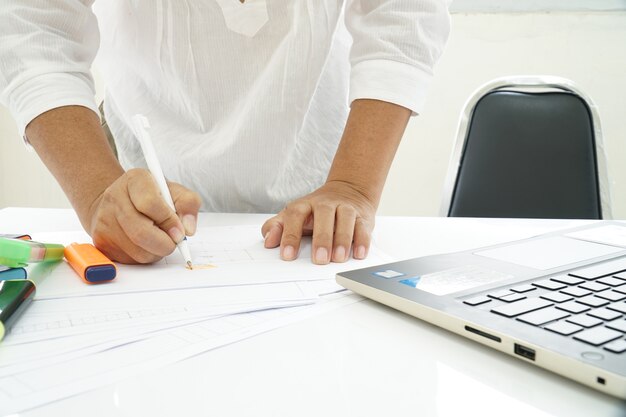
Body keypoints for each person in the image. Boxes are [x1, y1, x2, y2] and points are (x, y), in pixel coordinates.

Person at [0, 1, 450, 265]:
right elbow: (34, 29)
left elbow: (402, 16)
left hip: (323, 168)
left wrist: (354, 185)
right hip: (136, 170)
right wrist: (96, 191)